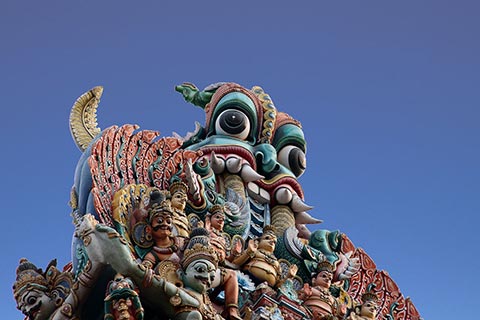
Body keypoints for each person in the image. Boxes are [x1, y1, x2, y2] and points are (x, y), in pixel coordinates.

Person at [204, 205, 242, 320]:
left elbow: (225, 261)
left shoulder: (222, 239)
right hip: (202, 264)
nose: (221, 220)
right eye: (217, 217)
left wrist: (234, 254)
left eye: (223, 219)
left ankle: (231, 310)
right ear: (210, 219)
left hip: (215, 269)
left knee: (232, 275)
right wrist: (206, 225)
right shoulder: (207, 231)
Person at [142, 200, 183, 269]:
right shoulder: (153, 255)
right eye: (159, 221)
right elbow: (143, 270)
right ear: (148, 229)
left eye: (168, 221)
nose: (165, 224)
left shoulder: (182, 241)